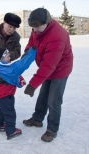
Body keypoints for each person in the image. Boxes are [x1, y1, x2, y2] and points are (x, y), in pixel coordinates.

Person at [22, 8, 73, 142]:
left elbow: (48, 66)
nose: (35, 30)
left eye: (38, 27)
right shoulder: (37, 29)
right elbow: (32, 42)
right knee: (43, 95)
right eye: (33, 27)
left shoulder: (57, 36)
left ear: (47, 22)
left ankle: (52, 129)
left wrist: (32, 84)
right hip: (48, 67)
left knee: (53, 101)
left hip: (60, 69)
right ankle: (37, 119)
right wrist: (27, 52)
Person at [0, 47, 36, 140]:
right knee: (10, 114)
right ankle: (11, 131)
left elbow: (15, 65)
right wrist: (32, 53)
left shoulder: (0, 66)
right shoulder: (6, 70)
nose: (9, 58)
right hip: (5, 95)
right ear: (1, 58)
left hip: (0, 95)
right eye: (7, 57)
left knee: (2, 111)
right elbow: (21, 65)